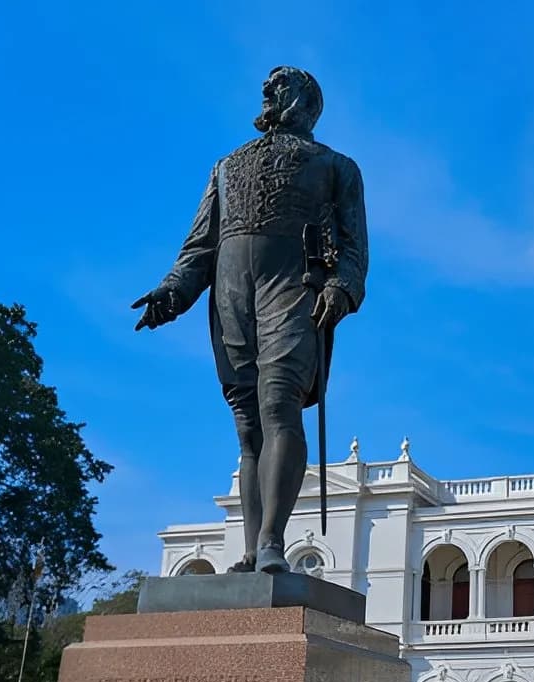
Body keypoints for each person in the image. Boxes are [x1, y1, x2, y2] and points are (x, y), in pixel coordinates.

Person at [132, 66, 368, 573]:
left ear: (305, 102)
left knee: (279, 402)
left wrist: (341, 288)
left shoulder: (335, 166)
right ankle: (248, 549)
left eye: (278, 86)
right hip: (232, 295)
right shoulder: (226, 166)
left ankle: (271, 544)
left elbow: (353, 249)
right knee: (247, 429)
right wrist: (172, 291)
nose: (266, 92)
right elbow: (198, 248)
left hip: (294, 289)